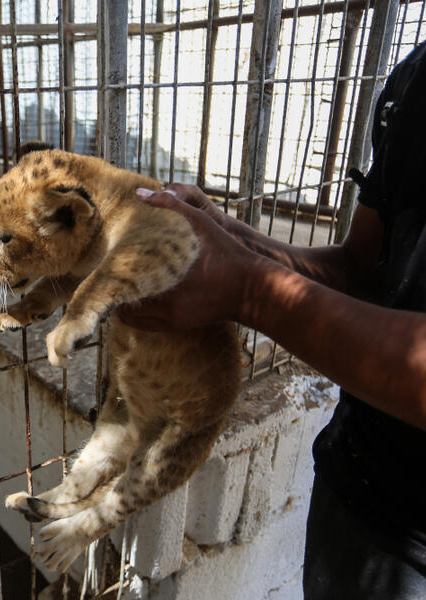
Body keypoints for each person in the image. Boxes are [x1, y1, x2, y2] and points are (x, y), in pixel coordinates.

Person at [119, 42, 426, 599]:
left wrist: (244, 288)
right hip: (353, 490)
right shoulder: (416, 77)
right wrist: (230, 237)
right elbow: (363, 273)